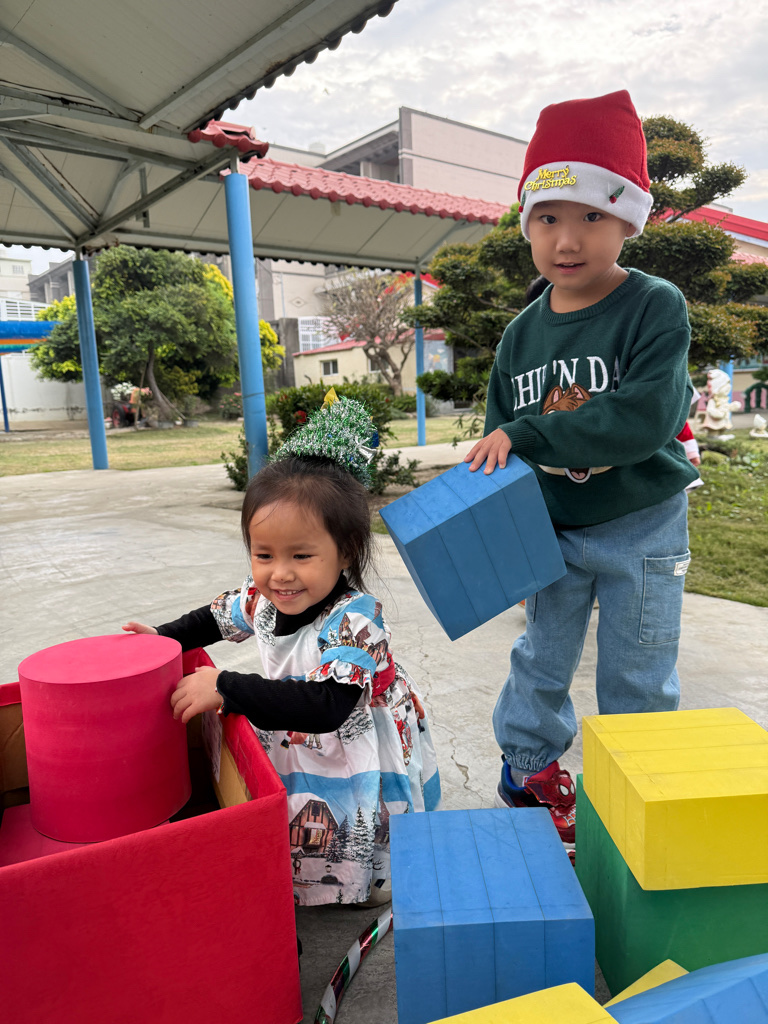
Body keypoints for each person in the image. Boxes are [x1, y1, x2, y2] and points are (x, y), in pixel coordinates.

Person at [464, 90, 698, 850]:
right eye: (547, 217)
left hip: (643, 524)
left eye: (592, 215)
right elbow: (500, 443)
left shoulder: (654, 306)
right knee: (541, 657)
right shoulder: (519, 337)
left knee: (639, 668)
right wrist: (500, 528)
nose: (566, 239)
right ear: (527, 223)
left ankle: (635, 792)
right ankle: (528, 771)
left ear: (628, 219)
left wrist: (528, 433)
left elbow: (643, 419)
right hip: (553, 528)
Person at [124, 395, 440, 906]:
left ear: (346, 551)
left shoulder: (355, 619)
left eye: (301, 555)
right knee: (305, 801)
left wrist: (226, 687)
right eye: (264, 554)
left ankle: (370, 881)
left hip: (350, 733)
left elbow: (328, 706)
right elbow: (214, 617)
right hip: (299, 729)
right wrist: (161, 638)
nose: (280, 574)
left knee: (354, 808)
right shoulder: (262, 599)